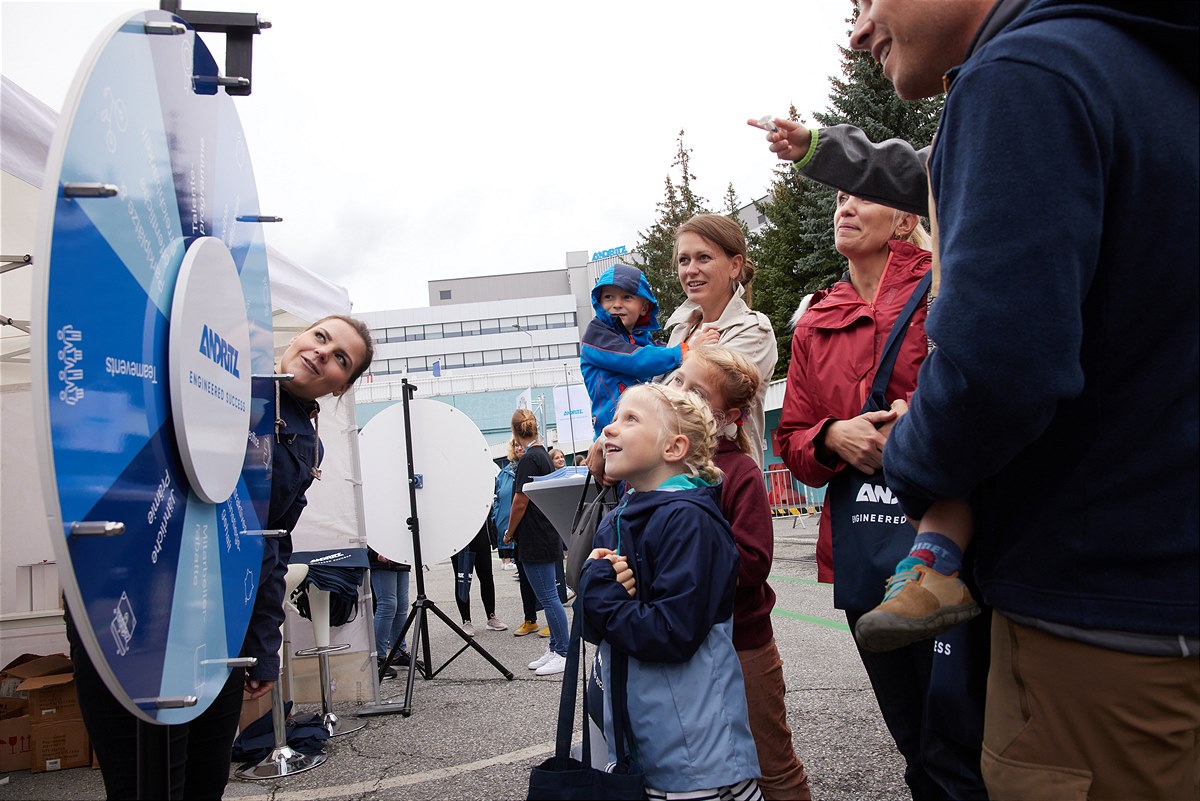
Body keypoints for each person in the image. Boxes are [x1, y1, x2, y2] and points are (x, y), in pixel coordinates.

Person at [758, 1, 1199, 797]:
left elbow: (997, 373)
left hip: (1097, 624)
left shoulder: (1022, 75)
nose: (857, 32)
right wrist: (829, 436)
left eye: (866, 0)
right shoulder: (1135, 61)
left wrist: (913, 453)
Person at [68, 314, 373, 799]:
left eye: (341, 359)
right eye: (320, 337)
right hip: (137, 616)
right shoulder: (214, 384)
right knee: (146, 783)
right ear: (295, 338)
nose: (322, 353)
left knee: (204, 781)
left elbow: (270, 546)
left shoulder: (306, 439)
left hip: (220, 631)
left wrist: (263, 649)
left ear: (342, 387)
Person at [774, 189, 965, 798]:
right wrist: (834, 435)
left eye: (864, 198)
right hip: (861, 544)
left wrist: (914, 430)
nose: (844, 209)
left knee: (961, 726)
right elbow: (793, 441)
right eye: (838, 200)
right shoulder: (814, 318)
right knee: (909, 731)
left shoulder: (944, 286)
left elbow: (982, 391)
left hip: (949, 534)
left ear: (906, 219)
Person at [580, 383, 762, 800]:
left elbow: (671, 633)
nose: (609, 429)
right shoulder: (621, 517)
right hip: (640, 741)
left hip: (695, 754)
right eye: (614, 418)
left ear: (674, 447)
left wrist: (603, 596)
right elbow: (597, 627)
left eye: (631, 419)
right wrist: (597, 586)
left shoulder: (689, 522)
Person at [667, 347, 811, 800]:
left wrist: (682, 562)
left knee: (772, 763)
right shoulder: (659, 467)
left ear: (727, 415)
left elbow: (753, 562)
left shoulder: (739, 471)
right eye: (678, 380)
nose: (679, 394)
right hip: (681, 645)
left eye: (696, 391)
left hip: (741, 644)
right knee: (700, 771)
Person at [663, 214, 777, 468]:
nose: (691, 270)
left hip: (725, 486)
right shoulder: (680, 331)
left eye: (703, 257)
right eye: (684, 260)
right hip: (673, 483)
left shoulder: (754, 331)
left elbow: (691, 408)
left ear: (735, 265)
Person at [580, 263, 700, 437]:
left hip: (639, 428)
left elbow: (655, 351)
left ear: (644, 307)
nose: (616, 304)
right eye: (608, 297)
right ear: (598, 302)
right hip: (611, 431)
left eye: (627, 297)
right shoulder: (596, 335)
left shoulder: (643, 341)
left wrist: (691, 343)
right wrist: (680, 352)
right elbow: (634, 359)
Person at [503, 408, 569, 675]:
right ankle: (555, 647)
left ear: (515, 432)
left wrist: (508, 533)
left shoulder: (530, 458)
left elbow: (520, 501)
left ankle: (562, 651)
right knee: (549, 595)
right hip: (545, 534)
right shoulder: (542, 455)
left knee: (549, 597)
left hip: (535, 537)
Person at [449, 519, 507, 636]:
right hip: (458, 537)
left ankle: (491, 616)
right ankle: (466, 621)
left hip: (480, 534)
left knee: (487, 577)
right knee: (462, 579)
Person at [368, 545, 413, 680]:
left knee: (401, 605)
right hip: (380, 554)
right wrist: (374, 553)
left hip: (399, 555)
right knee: (387, 604)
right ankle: (378, 658)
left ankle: (398, 653)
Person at [493, 439, 520, 571]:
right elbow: (497, 495)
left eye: (521, 445)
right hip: (504, 517)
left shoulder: (527, 467)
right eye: (516, 445)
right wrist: (496, 515)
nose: (519, 448)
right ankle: (506, 560)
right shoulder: (504, 473)